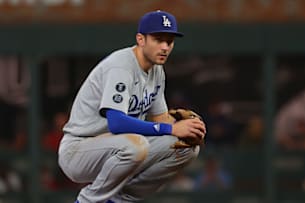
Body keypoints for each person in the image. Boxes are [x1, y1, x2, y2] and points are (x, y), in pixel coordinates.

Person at [58, 10, 206, 203]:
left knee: (186, 147)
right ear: (141, 39)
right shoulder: (121, 66)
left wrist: (189, 128)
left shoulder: (157, 71)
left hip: (117, 147)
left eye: (169, 41)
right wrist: (171, 128)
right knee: (136, 146)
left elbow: (161, 119)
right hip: (79, 150)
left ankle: (118, 200)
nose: (164, 47)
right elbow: (117, 123)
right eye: (158, 39)